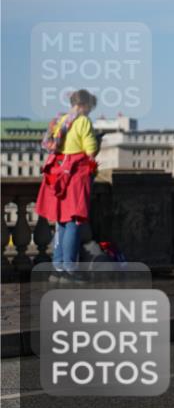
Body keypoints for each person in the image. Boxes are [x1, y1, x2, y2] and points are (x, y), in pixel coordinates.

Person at [36, 89, 100, 282]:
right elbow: (91, 150)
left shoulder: (61, 120)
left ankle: (57, 267)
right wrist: (97, 142)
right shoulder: (83, 121)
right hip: (75, 175)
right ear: (86, 105)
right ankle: (70, 269)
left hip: (58, 174)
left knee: (61, 222)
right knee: (74, 222)